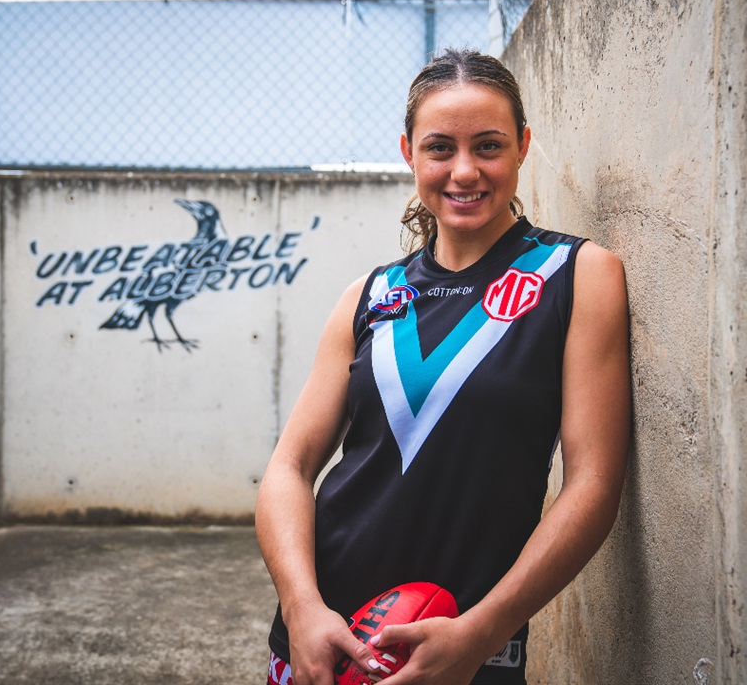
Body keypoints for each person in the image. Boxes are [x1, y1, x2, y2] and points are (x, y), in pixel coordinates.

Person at [255, 48, 630, 685]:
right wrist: (302, 607)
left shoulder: (578, 275)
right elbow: (288, 469)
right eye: (439, 149)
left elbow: (593, 484)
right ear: (409, 153)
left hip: (463, 648)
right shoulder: (370, 296)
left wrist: (482, 631)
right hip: (324, 637)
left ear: (522, 146)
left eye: (488, 146)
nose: (464, 171)